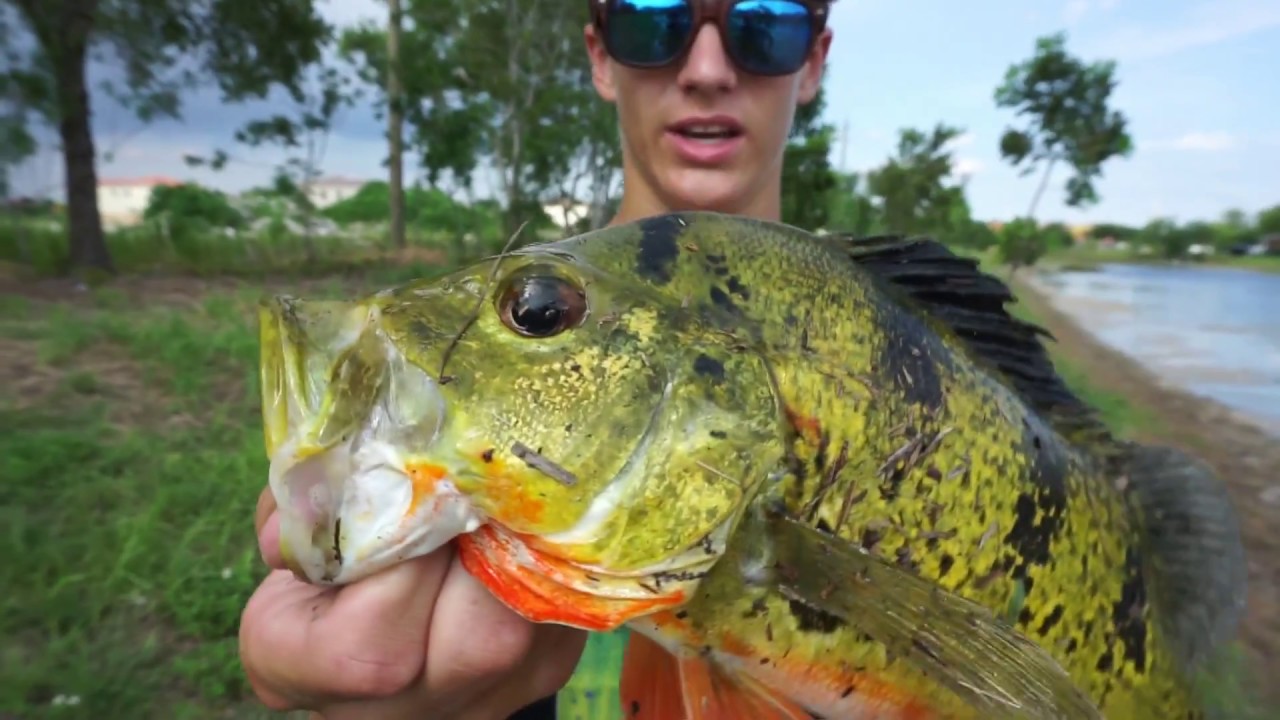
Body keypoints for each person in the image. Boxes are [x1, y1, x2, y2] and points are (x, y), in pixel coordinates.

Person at [238, 1, 835, 717]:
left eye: (764, 25)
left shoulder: (899, 344)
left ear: (815, 59)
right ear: (600, 54)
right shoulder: (487, 416)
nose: (707, 71)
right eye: (655, 20)